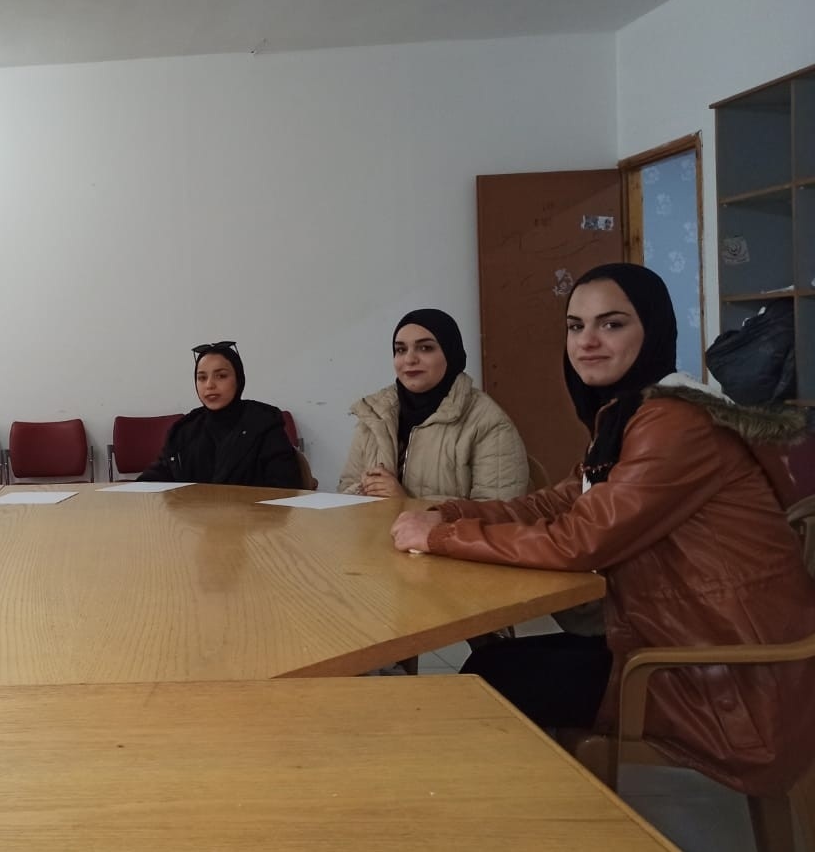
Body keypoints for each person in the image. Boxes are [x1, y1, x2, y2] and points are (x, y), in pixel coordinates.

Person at [390, 263, 815, 796]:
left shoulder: (674, 424)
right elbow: (561, 500)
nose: (587, 342)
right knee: (491, 663)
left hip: (728, 677)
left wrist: (439, 537)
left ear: (652, 329)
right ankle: (532, 807)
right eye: (576, 326)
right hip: (676, 640)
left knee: (492, 681)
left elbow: (580, 540)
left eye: (611, 324)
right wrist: (451, 515)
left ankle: (526, 816)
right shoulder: (631, 413)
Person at [338, 308, 528, 501]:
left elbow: (498, 511)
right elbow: (344, 491)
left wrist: (405, 503)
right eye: (401, 350)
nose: (410, 359)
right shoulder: (376, 414)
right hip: (374, 522)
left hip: (437, 524)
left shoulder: (488, 422)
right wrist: (363, 490)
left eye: (425, 348)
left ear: (450, 353)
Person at [137, 341, 303, 488]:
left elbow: (286, 487)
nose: (209, 385)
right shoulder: (183, 431)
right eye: (202, 378)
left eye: (221, 376)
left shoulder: (263, 423)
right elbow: (152, 481)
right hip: (191, 514)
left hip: (251, 513)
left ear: (238, 379)